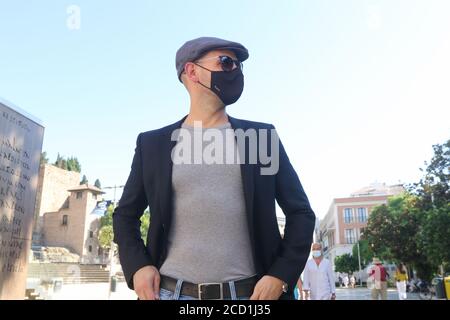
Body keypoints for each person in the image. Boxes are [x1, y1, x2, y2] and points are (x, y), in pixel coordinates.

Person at [112, 37, 316, 300]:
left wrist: (280, 276)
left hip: (247, 296)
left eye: (239, 66)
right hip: (171, 294)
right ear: (192, 71)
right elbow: (125, 216)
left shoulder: (260, 139)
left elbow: (300, 213)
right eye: (226, 62)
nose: (236, 72)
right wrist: (137, 266)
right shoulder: (153, 145)